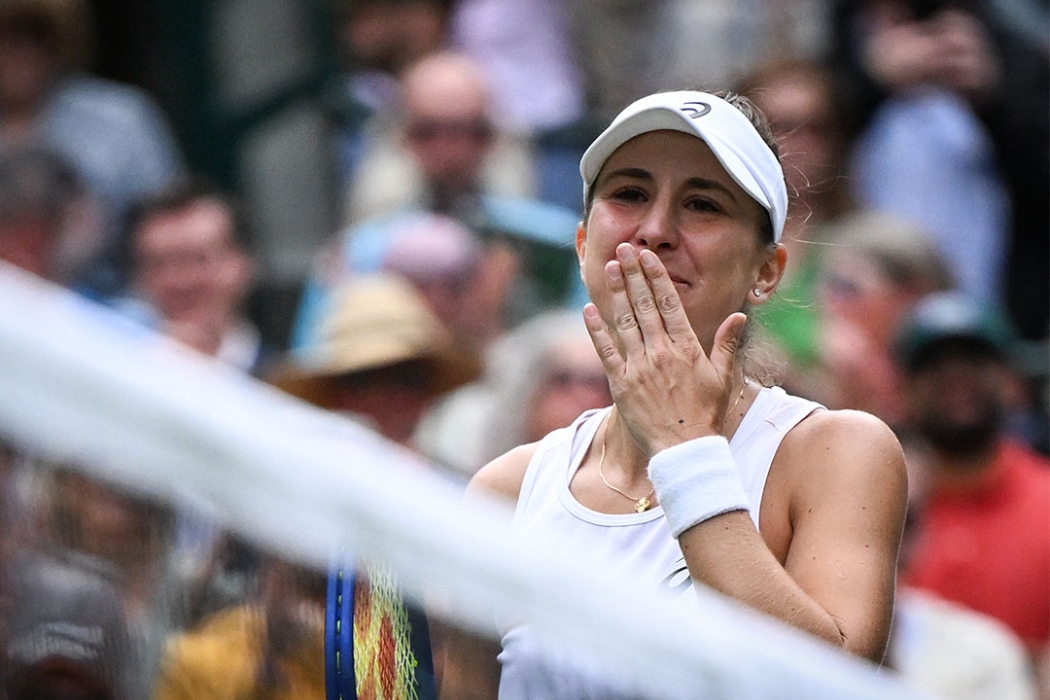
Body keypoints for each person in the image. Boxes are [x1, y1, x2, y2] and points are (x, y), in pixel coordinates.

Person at [441, 89, 908, 698]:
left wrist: (683, 445)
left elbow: (821, 685)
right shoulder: (504, 491)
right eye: (630, 194)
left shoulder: (841, 452)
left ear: (766, 272)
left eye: (703, 204)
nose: (656, 229)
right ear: (585, 244)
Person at [893, 291, 1050, 662]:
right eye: (936, 365)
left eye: (974, 362)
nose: (956, 378)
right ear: (904, 389)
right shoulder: (878, 498)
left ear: (1012, 383)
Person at [0, 0, 185, 296]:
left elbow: (172, 228)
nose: (19, 52)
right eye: (6, 38)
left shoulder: (121, 117)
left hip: (115, 311)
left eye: (33, 35)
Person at [122, 177, 272, 377]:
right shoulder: (118, 372)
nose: (180, 281)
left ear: (242, 264)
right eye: (159, 264)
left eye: (199, 260)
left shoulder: (286, 388)